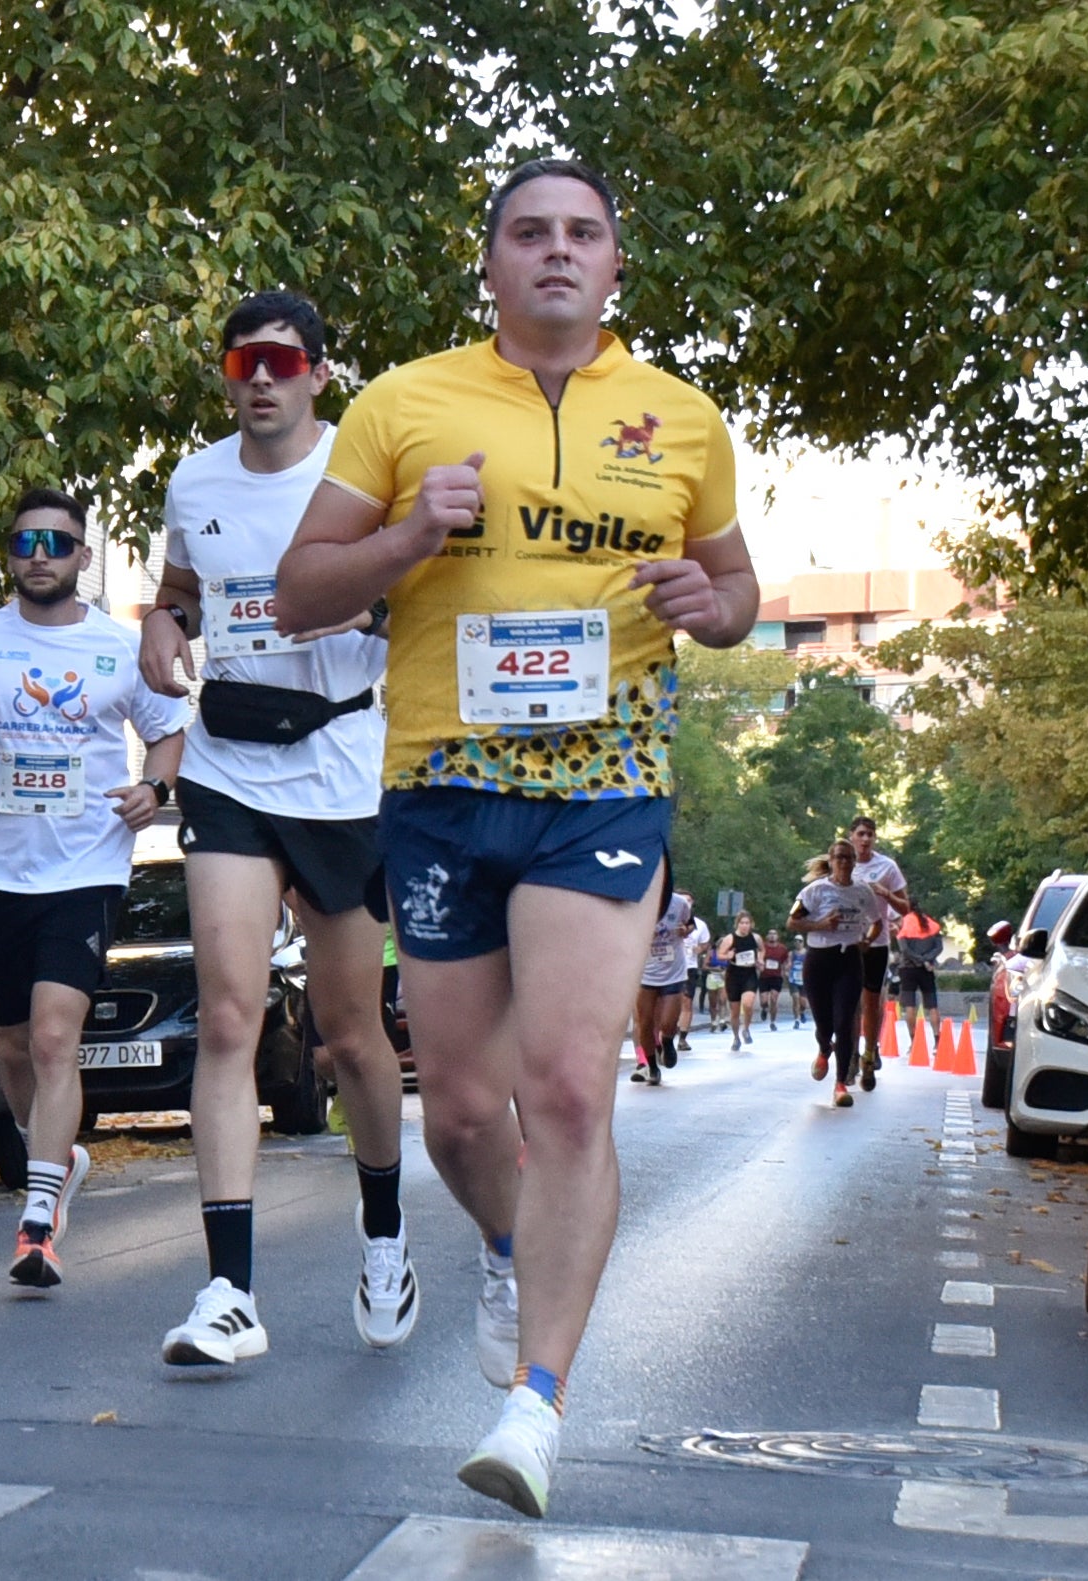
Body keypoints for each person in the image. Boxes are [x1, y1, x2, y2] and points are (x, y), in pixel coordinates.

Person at [274, 157, 757, 1518]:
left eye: (581, 234)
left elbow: (734, 588)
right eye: (529, 232)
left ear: (613, 266)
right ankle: (503, 1241)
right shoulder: (402, 404)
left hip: (604, 784)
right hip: (442, 781)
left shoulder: (681, 418)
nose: (556, 251)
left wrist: (710, 606)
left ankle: (535, 1406)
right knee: (463, 1107)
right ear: (488, 264)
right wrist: (406, 541)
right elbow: (299, 593)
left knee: (566, 1088)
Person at [136, 289, 409, 1365]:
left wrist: (358, 603)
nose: (260, 378)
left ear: (318, 376)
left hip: (342, 767)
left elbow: (422, 598)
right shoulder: (193, 480)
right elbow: (178, 591)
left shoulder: (362, 470)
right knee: (226, 1016)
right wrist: (160, 625)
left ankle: (383, 1232)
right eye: (242, 361)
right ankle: (226, 1292)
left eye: (282, 363)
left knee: (350, 1034)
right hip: (228, 762)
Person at [0, 488, 188, 1288]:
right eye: (25, 542)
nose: (40, 555)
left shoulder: (117, 645)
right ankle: (55, 1156)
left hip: (86, 866)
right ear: (9, 555)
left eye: (56, 542)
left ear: (83, 555)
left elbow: (167, 732)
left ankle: (37, 1217)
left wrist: (154, 790)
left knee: (56, 1037)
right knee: (14, 1045)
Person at [789, 840, 885, 1109]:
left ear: (854, 862)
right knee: (825, 1025)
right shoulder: (815, 891)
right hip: (819, 961)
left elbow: (877, 923)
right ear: (831, 861)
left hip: (849, 960)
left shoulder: (862, 891)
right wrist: (821, 924)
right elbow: (792, 922)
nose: (844, 862)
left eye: (848, 858)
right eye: (839, 858)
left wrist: (867, 941)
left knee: (845, 1023)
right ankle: (823, 1048)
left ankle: (841, 1084)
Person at [847, 815, 912, 1084]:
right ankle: (851, 1055)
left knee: (871, 1003)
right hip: (847, 943)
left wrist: (886, 893)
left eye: (870, 834)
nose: (865, 839)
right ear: (851, 836)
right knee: (849, 1002)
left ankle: (869, 1054)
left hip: (877, 944)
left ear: (875, 838)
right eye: (861, 834)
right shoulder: (841, 863)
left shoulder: (887, 866)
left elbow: (905, 908)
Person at [632, 890, 694, 1086]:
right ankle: (652, 1067)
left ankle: (667, 1041)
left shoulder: (679, 903)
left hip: (673, 971)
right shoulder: (637, 900)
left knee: (668, 1022)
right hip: (645, 971)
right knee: (645, 1022)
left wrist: (685, 930)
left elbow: (690, 924)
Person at [895, 904, 946, 1044]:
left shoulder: (904, 923)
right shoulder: (931, 924)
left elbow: (905, 950)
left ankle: (914, 1041)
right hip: (927, 969)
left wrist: (919, 960)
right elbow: (939, 947)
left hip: (908, 969)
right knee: (932, 1005)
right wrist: (926, 960)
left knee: (910, 1005)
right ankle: (937, 1040)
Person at [722, 911, 762, 1051]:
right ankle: (736, 1038)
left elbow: (762, 950)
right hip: (734, 975)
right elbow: (720, 954)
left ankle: (746, 1029)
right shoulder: (730, 938)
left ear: (751, 924)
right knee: (734, 1012)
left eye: (747, 923)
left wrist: (760, 960)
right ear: (737, 924)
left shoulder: (756, 938)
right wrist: (728, 955)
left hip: (749, 973)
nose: (745, 926)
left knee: (748, 1004)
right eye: (742, 923)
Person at [673, 910, 710, 1054]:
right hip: (670, 966)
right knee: (669, 1002)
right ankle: (666, 1035)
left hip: (689, 967)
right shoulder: (669, 919)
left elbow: (705, 943)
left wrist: (699, 949)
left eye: (689, 900)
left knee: (687, 1002)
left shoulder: (700, 925)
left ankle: (682, 1038)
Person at [758, 929, 789, 1029]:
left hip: (776, 977)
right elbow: (758, 958)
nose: (772, 936)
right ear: (767, 936)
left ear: (777, 936)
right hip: (764, 977)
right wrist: (759, 965)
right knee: (763, 1001)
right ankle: (764, 1009)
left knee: (774, 999)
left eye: (774, 934)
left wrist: (786, 970)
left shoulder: (782, 949)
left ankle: (773, 1022)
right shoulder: (763, 947)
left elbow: (786, 961)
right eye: (770, 934)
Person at [788, 940, 808, 1028]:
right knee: (795, 998)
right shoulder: (791, 953)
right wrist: (787, 968)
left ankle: (802, 1012)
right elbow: (788, 963)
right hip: (793, 980)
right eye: (796, 941)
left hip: (804, 980)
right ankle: (796, 1020)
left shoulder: (807, 953)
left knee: (803, 1003)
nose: (798, 943)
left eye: (800, 941)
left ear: (803, 943)